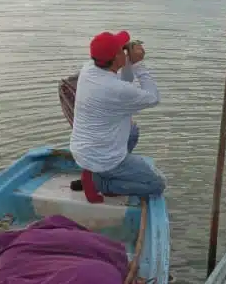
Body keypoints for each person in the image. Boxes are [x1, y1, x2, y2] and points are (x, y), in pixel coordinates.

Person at [69, 29, 165, 199]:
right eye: (122, 50)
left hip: (84, 151)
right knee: (157, 184)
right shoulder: (115, 90)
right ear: (115, 59)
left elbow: (124, 81)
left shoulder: (89, 69)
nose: (125, 50)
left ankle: (95, 173)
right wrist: (138, 65)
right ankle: (100, 183)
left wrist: (127, 60)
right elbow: (153, 98)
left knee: (132, 131)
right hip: (103, 158)